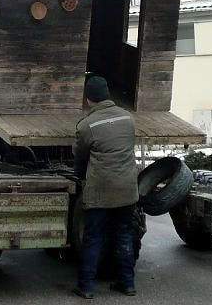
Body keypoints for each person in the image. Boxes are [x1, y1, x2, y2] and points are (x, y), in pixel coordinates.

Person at [72, 76, 139, 299]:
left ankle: (86, 287)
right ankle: (127, 284)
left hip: (101, 191)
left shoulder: (87, 125)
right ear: (108, 95)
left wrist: (80, 177)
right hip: (127, 190)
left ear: (88, 99)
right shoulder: (128, 119)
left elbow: (79, 155)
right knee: (124, 236)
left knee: (93, 238)